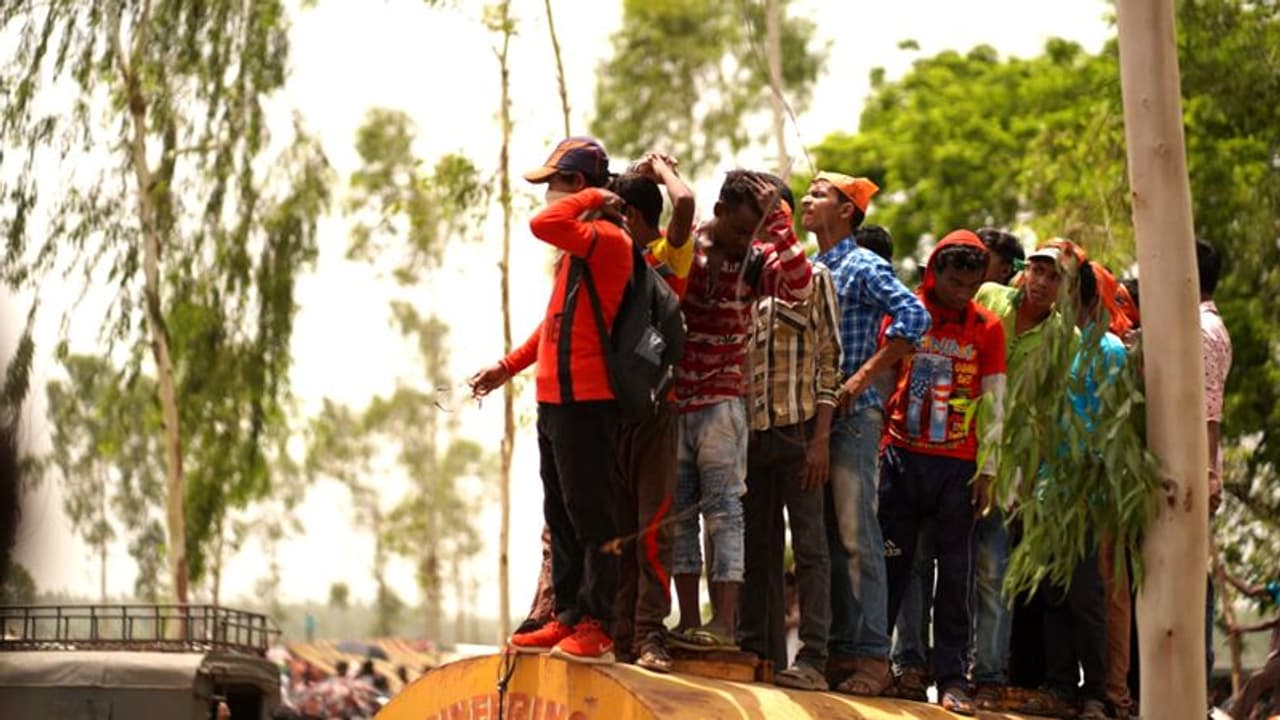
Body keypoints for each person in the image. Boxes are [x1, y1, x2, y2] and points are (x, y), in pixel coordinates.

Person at [470, 136, 630, 663]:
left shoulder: (608, 240)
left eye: (554, 185)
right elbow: (552, 326)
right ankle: (565, 617)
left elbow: (544, 224)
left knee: (592, 516)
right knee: (560, 514)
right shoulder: (574, 255)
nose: (547, 197)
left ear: (578, 187)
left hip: (590, 400)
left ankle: (597, 624)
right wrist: (506, 368)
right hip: (554, 400)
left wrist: (594, 201)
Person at [669, 169, 813, 653]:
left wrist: (782, 228)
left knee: (725, 513)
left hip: (726, 403)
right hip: (677, 401)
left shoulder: (757, 258)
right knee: (681, 517)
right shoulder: (687, 247)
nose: (744, 240)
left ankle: (724, 625)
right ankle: (689, 621)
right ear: (719, 212)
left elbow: (800, 287)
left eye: (753, 232)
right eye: (738, 229)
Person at [803, 170, 930, 696]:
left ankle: (874, 657)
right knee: (831, 540)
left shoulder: (861, 264)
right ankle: (842, 650)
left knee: (859, 538)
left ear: (847, 211)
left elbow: (914, 316)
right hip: (816, 421)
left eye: (819, 195)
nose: (807, 200)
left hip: (855, 419)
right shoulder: (811, 268)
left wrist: (861, 378)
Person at [877, 230, 1007, 714]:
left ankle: (953, 679)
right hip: (902, 458)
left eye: (972, 286)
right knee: (896, 567)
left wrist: (987, 471)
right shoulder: (908, 312)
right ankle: (887, 665)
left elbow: (994, 402)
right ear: (936, 272)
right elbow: (885, 375)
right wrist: (878, 448)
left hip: (959, 467)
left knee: (956, 576)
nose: (962, 294)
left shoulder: (988, 327)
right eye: (954, 282)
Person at [739, 183, 841, 690]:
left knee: (811, 549)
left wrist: (821, 439)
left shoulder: (815, 275)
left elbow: (829, 361)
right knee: (756, 549)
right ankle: (757, 651)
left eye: (766, 214)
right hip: (754, 435)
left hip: (801, 431)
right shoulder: (751, 281)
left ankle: (814, 660)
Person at [973, 240, 1081, 712]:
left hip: (1013, 468)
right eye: (1037, 269)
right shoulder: (992, 297)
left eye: (1053, 276)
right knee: (947, 567)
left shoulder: (1068, 340)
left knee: (995, 572)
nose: (1040, 281)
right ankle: (941, 667)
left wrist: (1028, 479)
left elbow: (1051, 414)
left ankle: (990, 676)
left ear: (1067, 288)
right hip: (960, 445)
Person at [607, 154, 695, 673]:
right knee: (615, 528)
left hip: (658, 412)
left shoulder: (665, 257)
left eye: (620, 216)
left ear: (636, 221)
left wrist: (659, 168)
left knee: (653, 528)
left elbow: (682, 202)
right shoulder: (603, 258)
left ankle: (648, 634)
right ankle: (618, 633)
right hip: (608, 412)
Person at [1200, 238, 1233, 698]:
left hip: (1193, 473)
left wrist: (1208, 473)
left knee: (1191, 581)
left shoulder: (1203, 330)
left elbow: (1209, 408)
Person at [1224, 572, 1280, 720]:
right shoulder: (1277, 588)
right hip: (1275, 651)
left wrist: (1241, 628)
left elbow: (1271, 623)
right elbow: (1249, 590)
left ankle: (1233, 717)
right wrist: (1227, 576)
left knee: (1257, 680)